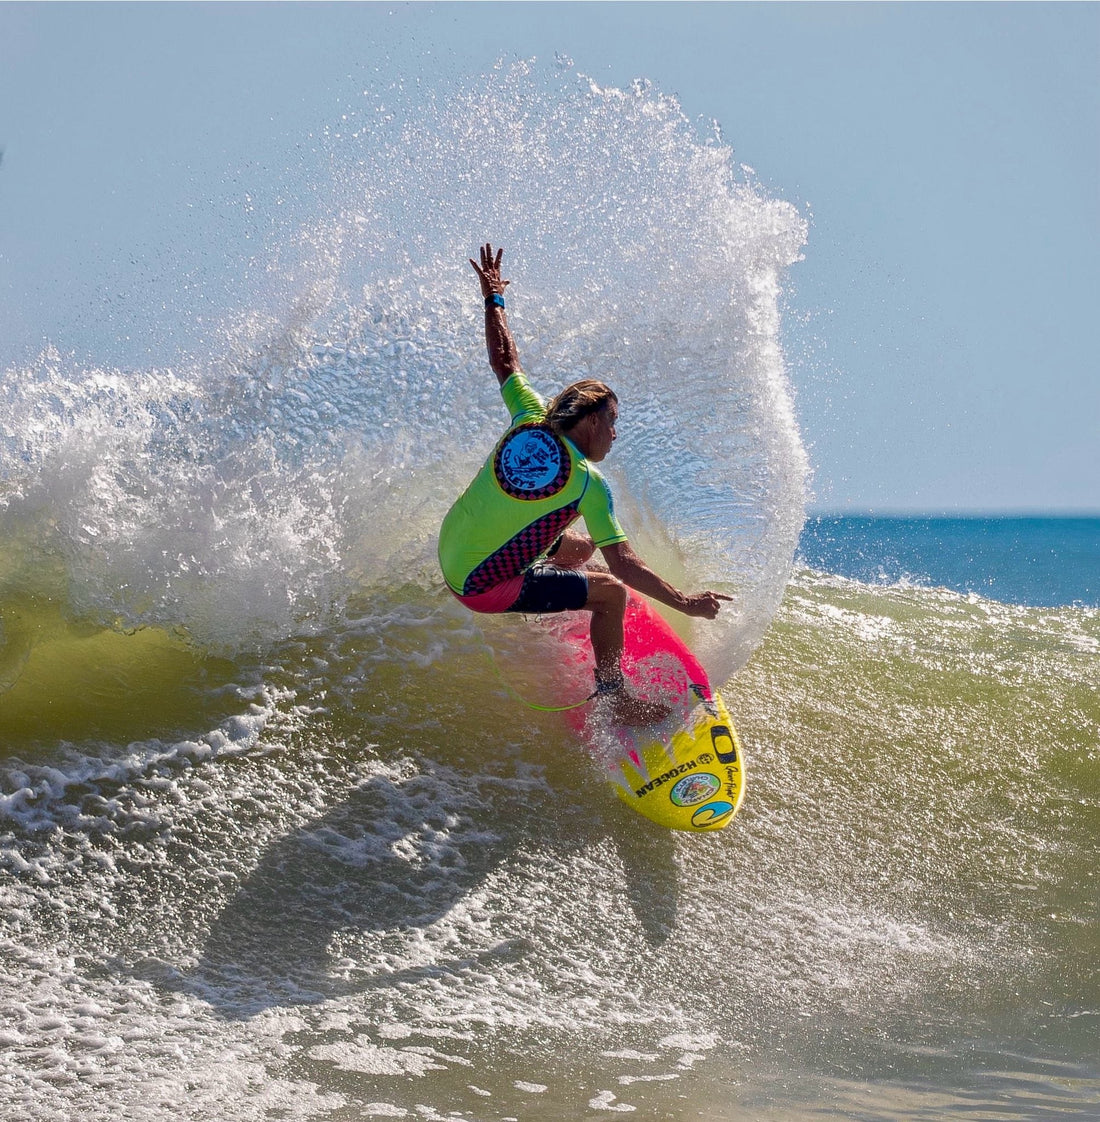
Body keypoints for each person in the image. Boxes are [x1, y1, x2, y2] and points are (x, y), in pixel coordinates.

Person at [438, 243, 732, 724]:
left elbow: (505, 361)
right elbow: (629, 567)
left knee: (576, 549)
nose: (616, 434)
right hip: (479, 587)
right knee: (613, 590)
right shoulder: (587, 484)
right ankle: (616, 701)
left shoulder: (530, 415)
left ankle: (567, 584)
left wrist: (493, 297)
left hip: (452, 547)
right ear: (592, 421)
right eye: (613, 422)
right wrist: (687, 604)